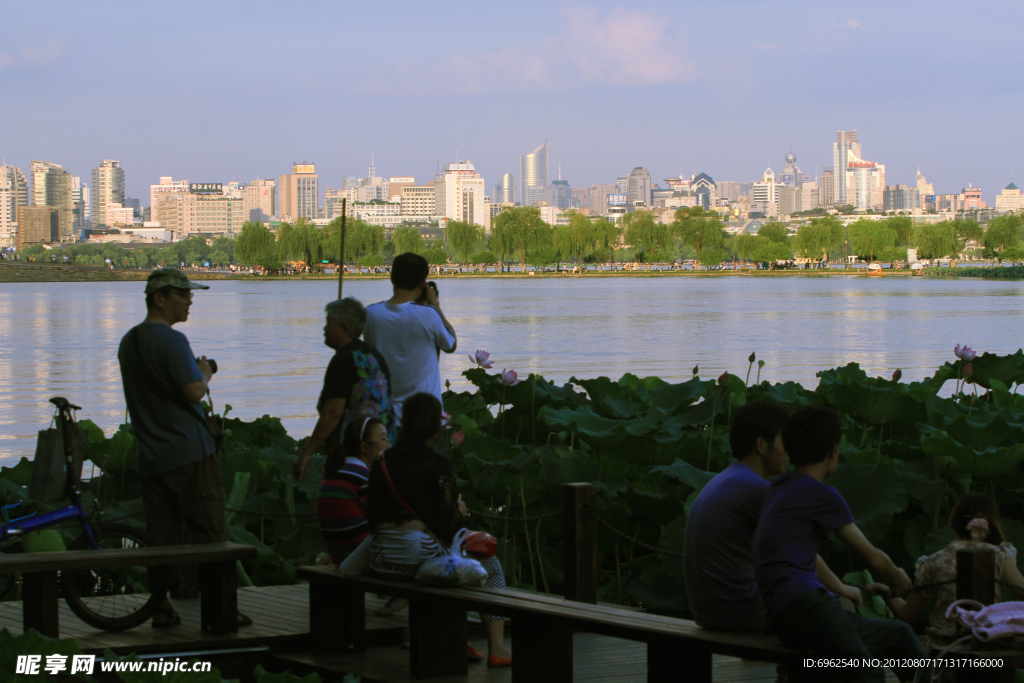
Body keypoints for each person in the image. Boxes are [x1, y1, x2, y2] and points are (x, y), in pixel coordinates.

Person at [117, 268, 249, 629]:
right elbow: (192, 391)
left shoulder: (129, 341)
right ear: (159, 298)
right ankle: (221, 610)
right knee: (210, 530)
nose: (190, 300)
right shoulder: (173, 341)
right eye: (182, 294)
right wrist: (204, 371)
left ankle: (161, 607)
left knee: (161, 536)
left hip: (151, 455)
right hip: (189, 451)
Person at [753, 406, 924, 682]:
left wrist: (839, 588)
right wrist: (898, 576)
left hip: (783, 615)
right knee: (868, 674)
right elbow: (873, 559)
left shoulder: (779, 486)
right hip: (809, 605)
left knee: (899, 636)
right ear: (833, 451)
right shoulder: (822, 495)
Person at [684, 401, 861, 633]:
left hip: (708, 611)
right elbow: (802, 554)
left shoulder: (727, 478)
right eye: (783, 440)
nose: (789, 451)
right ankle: (830, 669)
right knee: (841, 605)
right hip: (740, 611)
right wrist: (840, 588)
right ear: (761, 444)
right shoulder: (756, 491)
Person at [365, 392, 512, 667]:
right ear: (436, 427)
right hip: (415, 562)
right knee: (489, 566)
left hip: (381, 560)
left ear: (403, 423)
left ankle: (456, 638)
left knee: (443, 563)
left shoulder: (382, 461)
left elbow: (372, 514)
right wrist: (459, 511)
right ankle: (499, 648)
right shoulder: (438, 466)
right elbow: (450, 529)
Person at [875, 493, 1024, 652]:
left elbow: (907, 615)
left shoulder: (932, 562)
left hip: (941, 649)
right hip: (989, 644)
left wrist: (886, 593)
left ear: (954, 522)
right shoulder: (999, 555)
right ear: (992, 522)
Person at [294, 298, 397, 480]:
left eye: (329, 323)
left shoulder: (343, 360)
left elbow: (333, 411)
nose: (324, 328)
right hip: (384, 452)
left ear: (344, 329)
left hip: (354, 458)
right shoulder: (374, 355)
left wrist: (307, 451)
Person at [364, 253, 456, 442]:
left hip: (385, 420)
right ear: (423, 283)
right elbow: (451, 344)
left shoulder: (370, 315)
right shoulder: (428, 314)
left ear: (392, 278)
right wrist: (435, 305)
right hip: (427, 421)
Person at [317, 417, 389, 566]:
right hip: (360, 561)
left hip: (339, 558)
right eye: (384, 440)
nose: (389, 446)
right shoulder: (364, 477)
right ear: (364, 447)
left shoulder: (335, 473)